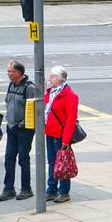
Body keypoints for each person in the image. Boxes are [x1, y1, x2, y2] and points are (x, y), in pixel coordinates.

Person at [0, 60, 37, 201]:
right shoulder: (11, 84)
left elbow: (33, 110)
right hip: (11, 127)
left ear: (18, 73)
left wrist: (22, 124)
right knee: (9, 158)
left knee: (23, 158)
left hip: (24, 130)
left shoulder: (29, 88)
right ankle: (8, 188)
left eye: (10, 71)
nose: (8, 73)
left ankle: (26, 189)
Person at [43, 65, 79, 203]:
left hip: (61, 135)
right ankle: (51, 189)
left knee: (63, 163)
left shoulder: (70, 96)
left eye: (52, 76)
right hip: (50, 132)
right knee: (52, 162)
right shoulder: (50, 92)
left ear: (60, 79)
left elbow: (70, 119)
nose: (49, 78)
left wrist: (66, 141)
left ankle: (64, 191)